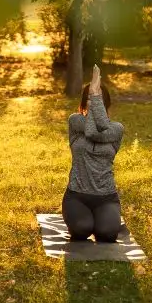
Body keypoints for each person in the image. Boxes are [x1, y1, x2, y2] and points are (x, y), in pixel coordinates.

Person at [62, 64, 125, 243]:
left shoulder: (117, 129)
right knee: (81, 229)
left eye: (98, 101)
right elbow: (90, 130)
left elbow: (97, 131)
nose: (94, 105)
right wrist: (94, 96)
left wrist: (95, 95)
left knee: (107, 234)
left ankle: (101, 218)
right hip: (76, 196)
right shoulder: (75, 122)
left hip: (106, 197)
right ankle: (82, 218)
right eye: (89, 100)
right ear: (83, 104)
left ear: (105, 104)